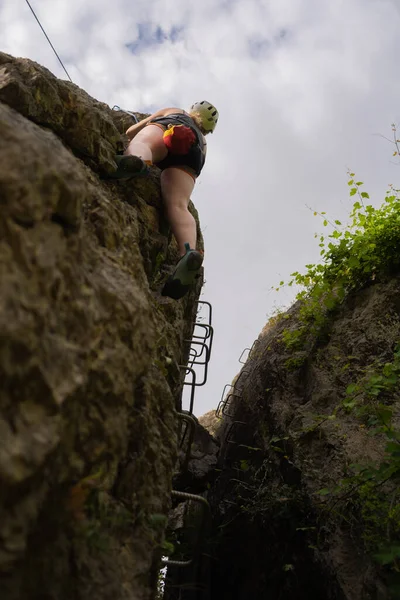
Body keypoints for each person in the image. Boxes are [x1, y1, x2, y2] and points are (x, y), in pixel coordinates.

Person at [110, 101, 219, 300]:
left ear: (193, 110)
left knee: (143, 143)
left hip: (169, 127)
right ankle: (188, 252)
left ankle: (137, 159)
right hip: (192, 157)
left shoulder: (175, 111)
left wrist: (131, 132)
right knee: (178, 205)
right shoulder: (204, 143)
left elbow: (133, 131)